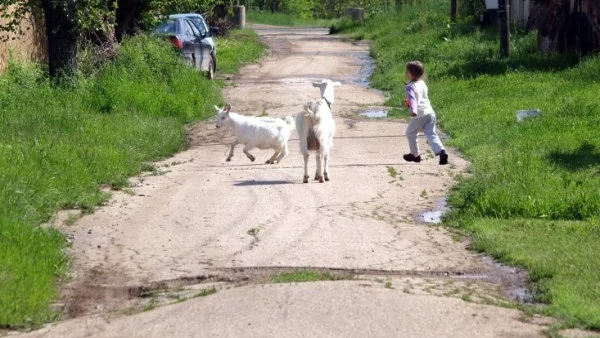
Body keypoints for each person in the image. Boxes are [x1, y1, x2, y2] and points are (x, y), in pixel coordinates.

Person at [403, 61, 448, 165]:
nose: (406, 73)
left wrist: (413, 110)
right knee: (431, 133)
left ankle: (415, 155)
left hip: (419, 114)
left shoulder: (410, 86)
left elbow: (414, 99)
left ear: (411, 73)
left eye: (407, 71)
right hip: (430, 113)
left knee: (410, 133)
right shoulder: (423, 83)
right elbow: (420, 98)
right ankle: (441, 151)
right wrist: (410, 104)